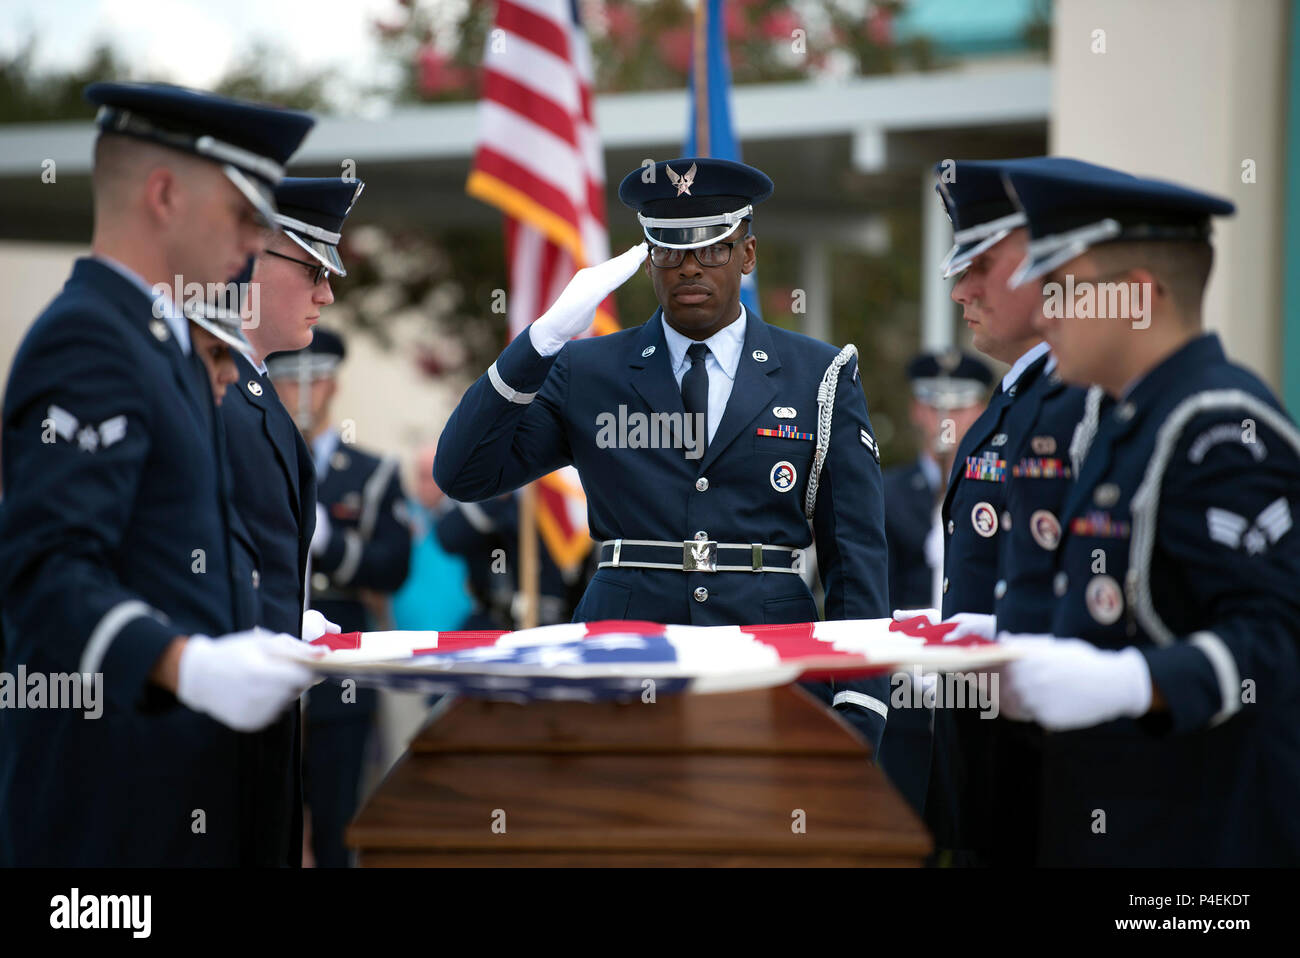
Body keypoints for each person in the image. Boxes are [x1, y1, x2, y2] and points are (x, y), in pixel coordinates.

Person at [434, 157, 892, 750]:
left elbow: (853, 557)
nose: (690, 268)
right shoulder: (586, 370)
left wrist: (859, 703)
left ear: (748, 255)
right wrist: (542, 339)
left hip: (768, 655)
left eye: (713, 249)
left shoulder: (819, 374)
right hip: (620, 656)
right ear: (649, 258)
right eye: (671, 251)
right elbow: (464, 472)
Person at [0, 82, 317, 866]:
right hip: (113, 813)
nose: (255, 239)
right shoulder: (90, 340)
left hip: (177, 790)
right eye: (245, 213)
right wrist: (188, 665)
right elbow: (47, 574)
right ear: (165, 193)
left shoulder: (159, 344)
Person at [993, 160, 1300, 865]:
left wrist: (1132, 682)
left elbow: (1277, 638)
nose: (1042, 315)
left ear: (1135, 298)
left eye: (1061, 290)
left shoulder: (1219, 428)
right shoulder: (1125, 417)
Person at [908, 157, 1102, 864]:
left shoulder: (1077, 398)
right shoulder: (1019, 399)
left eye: (981, 264)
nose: (961, 290)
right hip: (987, 736)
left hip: (1041, 747)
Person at [218, 175, 364, 866]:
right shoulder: (209, 385)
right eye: (311, 269)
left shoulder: (252, 389)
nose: (326, 293)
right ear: (252, 258)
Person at [267, 327, 412, 867]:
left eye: (316, 380)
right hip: (269, 659)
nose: (303, 395)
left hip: (340, 670)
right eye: (289, 382)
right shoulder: (256, 462)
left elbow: (392, 567)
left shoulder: (373, 475)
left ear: (332, 385)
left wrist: (331, 544)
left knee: (337, 821)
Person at [877, 349, 990, 815]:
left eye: (960, 404)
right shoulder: (883, 493)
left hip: (983, 694)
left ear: (982, 409)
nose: (947, 417)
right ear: (915, 410)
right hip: (903, 698)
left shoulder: (1000, 490)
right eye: (934, 403)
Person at [391, 446, 474, 633]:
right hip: (405, 631)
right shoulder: (401, 516)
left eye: (431, 477)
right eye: (421, 476)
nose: (425, 485)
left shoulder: (463, 519)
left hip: (457, 631)